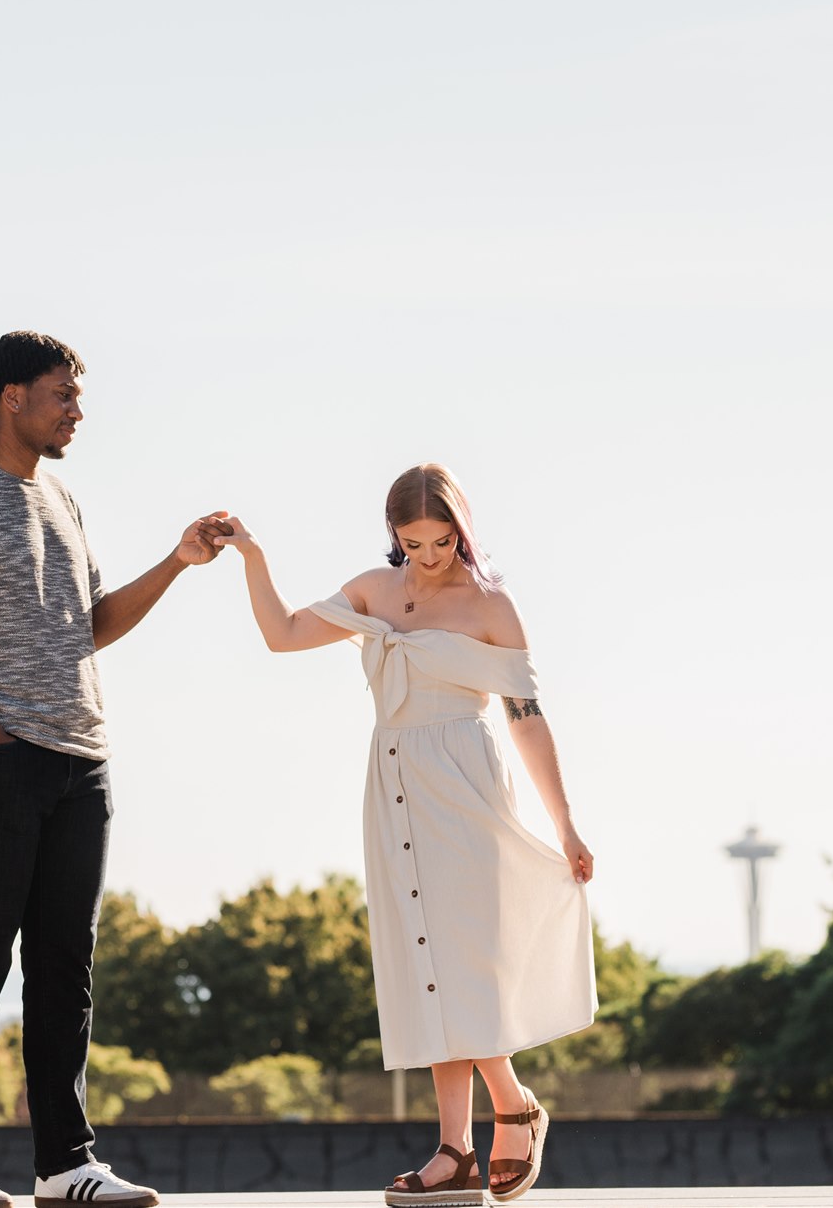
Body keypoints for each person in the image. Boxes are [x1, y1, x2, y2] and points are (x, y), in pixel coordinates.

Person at [0, 331, 228, 1208]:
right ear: (10, 396)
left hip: (81, 761)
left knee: (65, 966)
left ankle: (65, 1163)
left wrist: (179, 561)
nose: (77, 409)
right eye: (62, 394)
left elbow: (90, 623)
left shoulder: (63, 498)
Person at [214, 464, 597, 1208]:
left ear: (462, 528)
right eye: (413, 541)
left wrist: (566, 822)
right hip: (392, 786)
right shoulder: (372, 590)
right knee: (424, 961)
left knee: (465, 964)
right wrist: (254, 557)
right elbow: (283, 634)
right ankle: (457, 1147)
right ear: (393, 534)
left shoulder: (491, 605)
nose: (428, 555)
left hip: (467, 785)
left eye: (442, 539)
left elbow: (526, 717)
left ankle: (509, 1110)